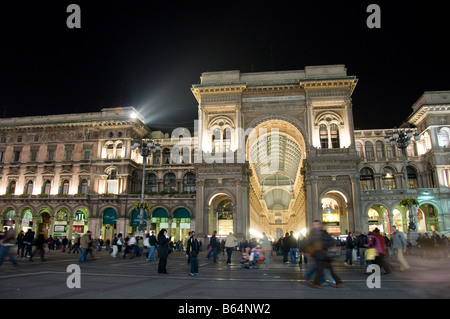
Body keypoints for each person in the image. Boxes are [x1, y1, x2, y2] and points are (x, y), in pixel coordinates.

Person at [306, 220, 343, 288]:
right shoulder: (317, 234)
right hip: (320, 254)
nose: (325, 227)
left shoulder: (323, 233)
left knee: (327, 270)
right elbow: (312, 243)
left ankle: (338, 282)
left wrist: (333, 246)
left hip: (324, 255)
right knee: (321, 270)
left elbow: (331, 241)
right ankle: (317, 283)